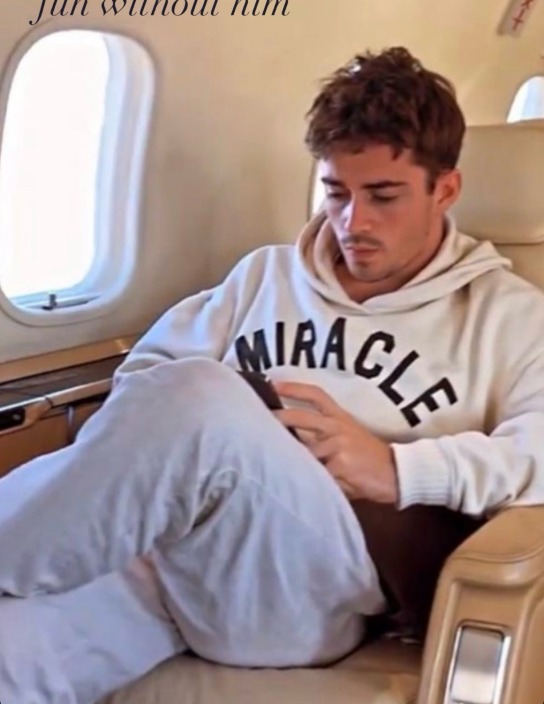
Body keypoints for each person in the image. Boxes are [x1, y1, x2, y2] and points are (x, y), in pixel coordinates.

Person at [0, 46, 543, 704]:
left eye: (384, 195)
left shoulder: (512, 316)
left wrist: (398, 468)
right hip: (176, 558)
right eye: (336, 193)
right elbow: (144, 380)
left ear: (445, 190)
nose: (354, 222)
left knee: (198, 394)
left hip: (315, 592)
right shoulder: (263, 276)